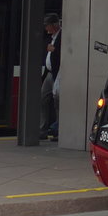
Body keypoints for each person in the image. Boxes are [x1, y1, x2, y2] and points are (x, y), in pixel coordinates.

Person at [40, 13, 62, 141]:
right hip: (49, 73)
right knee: (43, 98)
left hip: (57, 74)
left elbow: (67, 53)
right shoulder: (51, 37)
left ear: (54, 25)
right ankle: (42, 129)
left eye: (47, 25)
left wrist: (54, 50)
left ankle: (58, 130)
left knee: (57, 102)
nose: (46, 28)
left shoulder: (62, 36)